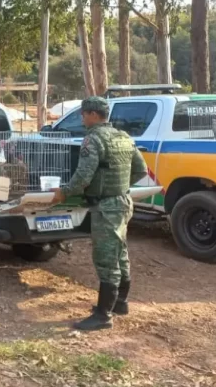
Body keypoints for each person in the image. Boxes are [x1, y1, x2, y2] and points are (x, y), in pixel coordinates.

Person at [50, 96, 147, 331]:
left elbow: (83, 176)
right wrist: (118, 188)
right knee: (120, 252)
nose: (82, 118)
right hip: (123, 202)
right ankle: (120, 303)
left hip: (106, 207)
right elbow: (141, 170)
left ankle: (103, 315)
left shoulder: (93, 139)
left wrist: (64, 192)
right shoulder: (123, 137)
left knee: (106, 259)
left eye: (83, 114)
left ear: (94, 114)